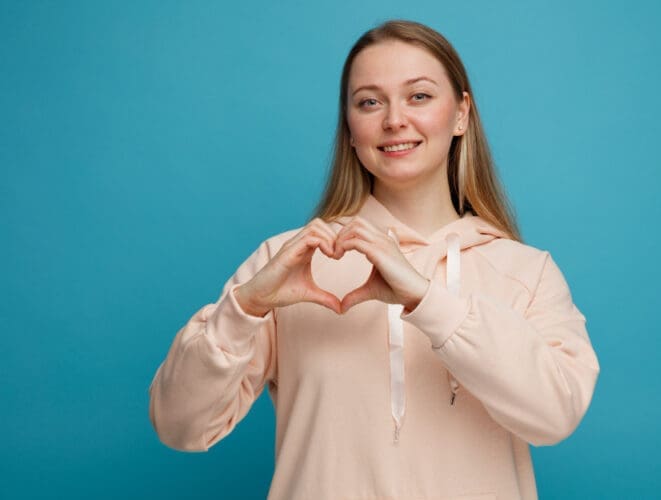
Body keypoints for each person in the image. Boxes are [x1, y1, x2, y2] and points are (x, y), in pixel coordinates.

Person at [149, 19, 600, 500]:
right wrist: (244, 308)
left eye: (419, 96)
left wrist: (429, 301)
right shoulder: (287, 262)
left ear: (462, 114)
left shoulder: (527, 272)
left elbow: (556, 415)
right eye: (369, 101)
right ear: (349, 128)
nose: (394, 120)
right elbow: (180, 426)